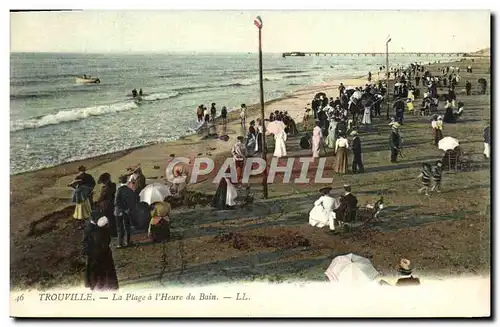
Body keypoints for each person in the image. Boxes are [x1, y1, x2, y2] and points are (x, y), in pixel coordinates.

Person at [82, 215, 119, 291]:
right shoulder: (102, 231)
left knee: (95, 272)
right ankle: (103, 286)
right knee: (103, 272)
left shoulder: (90, 229)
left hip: (95, 254)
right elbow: (104, 243)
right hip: (101, 255)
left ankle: (96, 285)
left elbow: (87, 242)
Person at [114, 175, 137, 248]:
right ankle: (127, 242)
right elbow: (133, 202)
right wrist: (127, 209)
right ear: (127, 181)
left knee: (119, 228)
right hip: (127, 211)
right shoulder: (130, 190)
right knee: (127, 227)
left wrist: (121, 209)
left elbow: (116, 202)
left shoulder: (118, 189)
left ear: (120, 182)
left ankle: (120, 243)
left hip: (118, 211)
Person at [96, 173, 117, 237]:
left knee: (109, 219)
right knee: (112, 219)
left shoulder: (105, 188)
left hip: (106, 205)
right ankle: (114, 231)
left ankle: (112, 233)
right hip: (112, 204)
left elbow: (102, 197)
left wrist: (97, 202)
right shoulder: (113, 185)